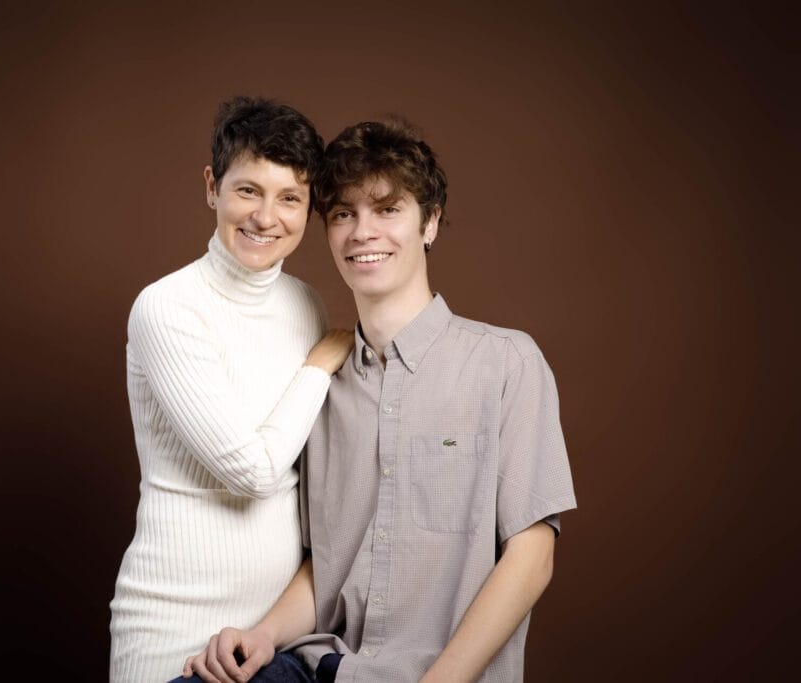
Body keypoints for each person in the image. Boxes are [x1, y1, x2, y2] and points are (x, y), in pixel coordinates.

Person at [181, 120, 577, 682]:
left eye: (387, 210)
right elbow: (327, 564)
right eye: (343, 214)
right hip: (323, 668)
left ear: (430, 223)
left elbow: (532, 556)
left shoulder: (507, 363)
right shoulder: (321, 385)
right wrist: (262, 635)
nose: (362, 232)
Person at [109, 97, 354, 682]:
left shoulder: (306, 305)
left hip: (274, 642)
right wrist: (320, 366)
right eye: (248, 191)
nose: (266, 217)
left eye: (289, 198)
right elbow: (252, 472)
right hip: (174, 635)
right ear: (212, 187)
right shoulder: (168, 308)